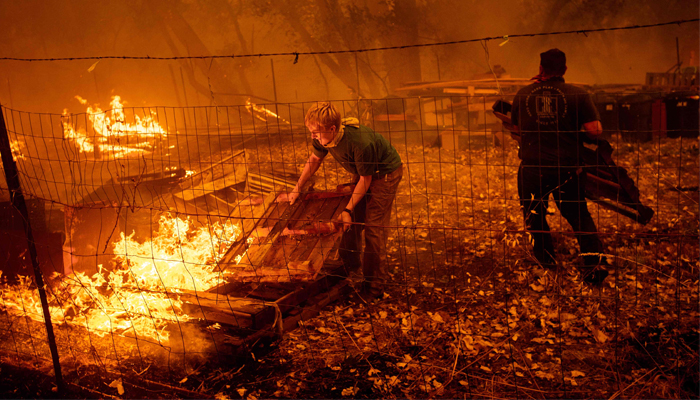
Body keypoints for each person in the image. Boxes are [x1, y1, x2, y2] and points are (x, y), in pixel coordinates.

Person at [510, 48, 609, 285]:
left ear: (541, 68)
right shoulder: (578, 95)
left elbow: (515, 129)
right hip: (566, 169)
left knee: (534, 215)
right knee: (577, 214)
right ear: (564, 69)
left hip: (533, 168)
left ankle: (547, 265)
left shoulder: (523, 95)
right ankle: (593, 266)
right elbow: (595, 131)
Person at [286, 102, 403, 298]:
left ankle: (373, 288)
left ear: (332, 128)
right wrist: (297, 188)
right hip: (364, 171)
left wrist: (347, 210)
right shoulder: (323, 136)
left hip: (385, 175)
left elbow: (367, 180)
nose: (312, 136)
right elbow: (315, 160)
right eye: (311, 131)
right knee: (351, 223)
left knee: (374, 228)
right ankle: (348, 268)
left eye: (316, 132)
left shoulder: (360, 143)